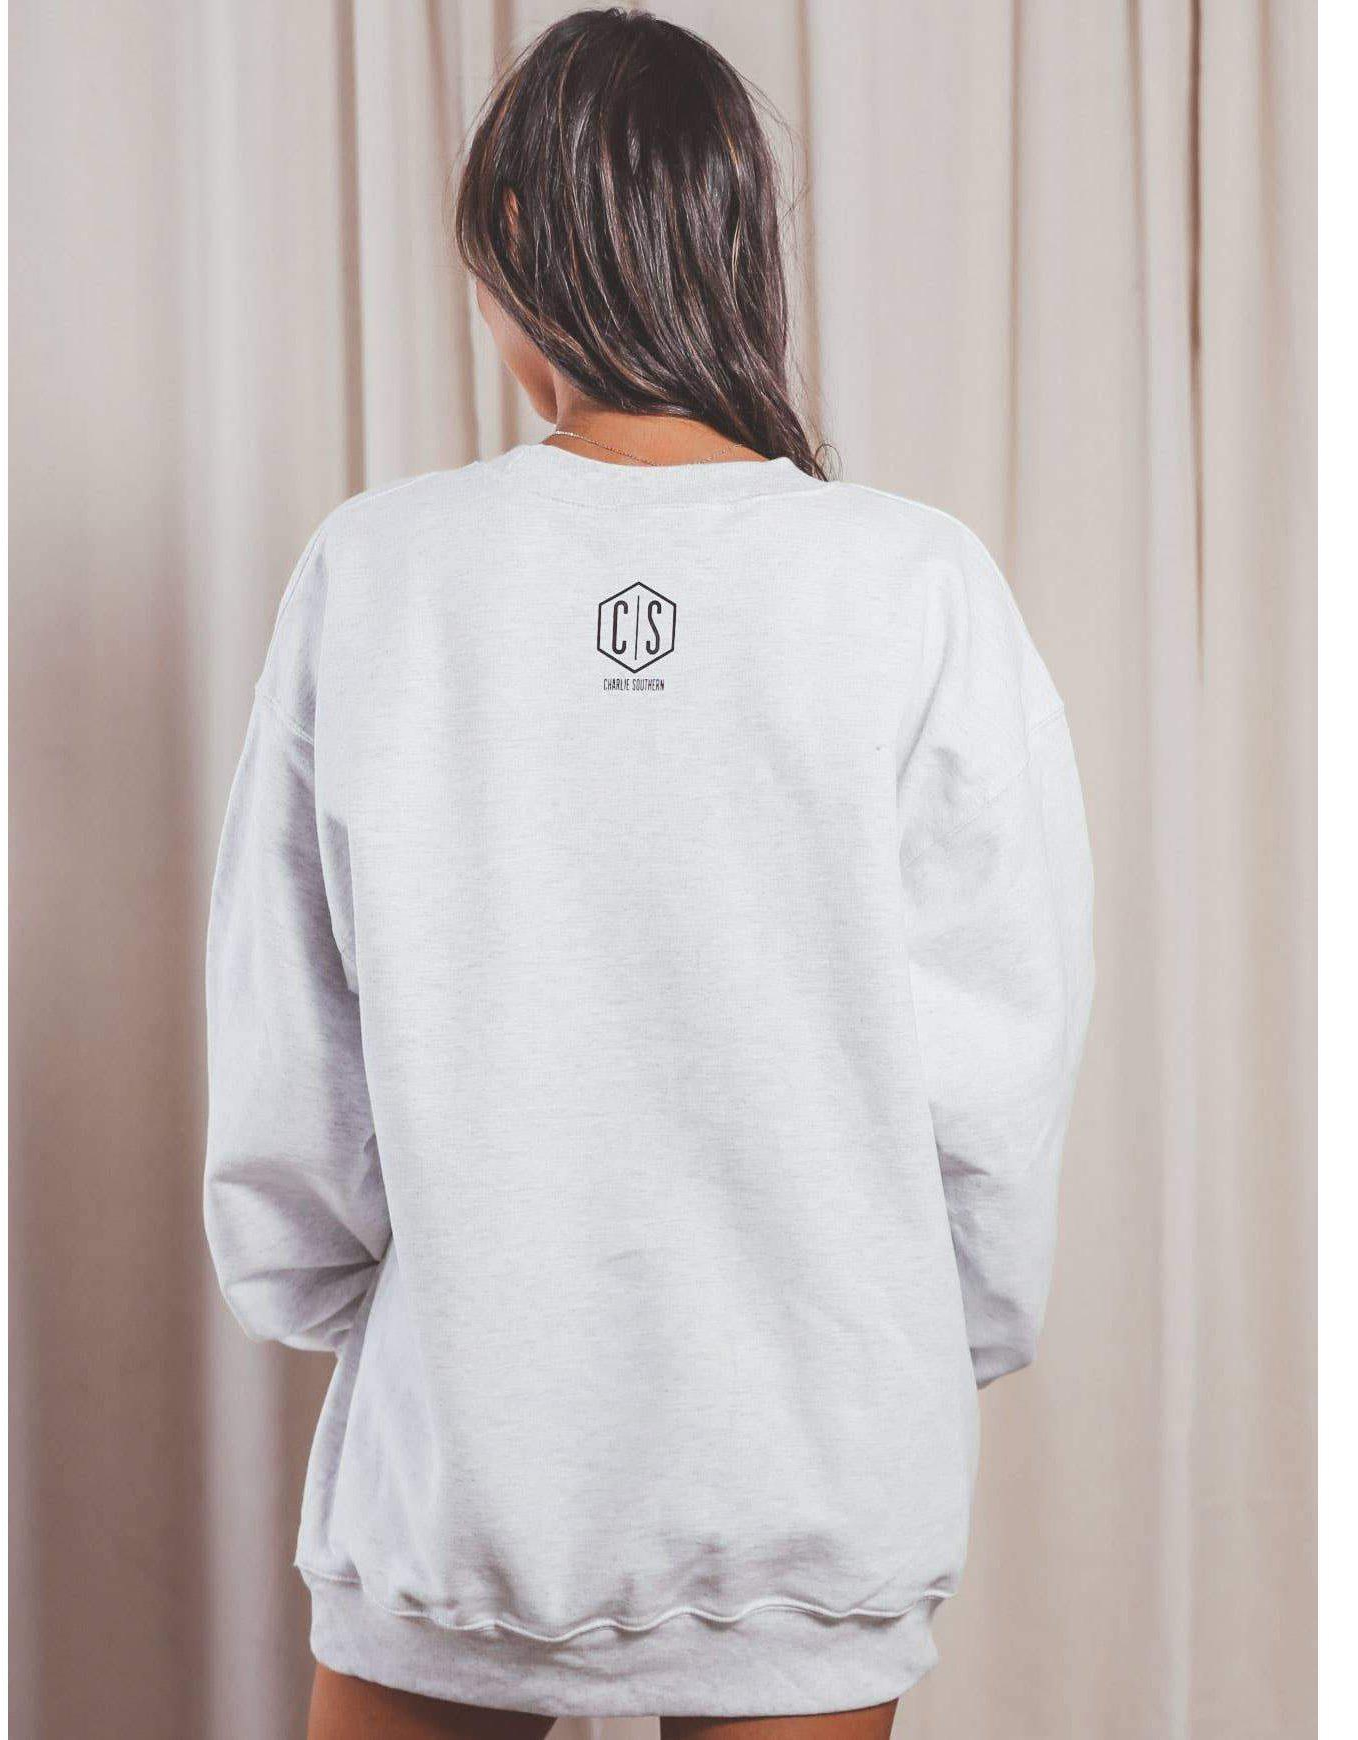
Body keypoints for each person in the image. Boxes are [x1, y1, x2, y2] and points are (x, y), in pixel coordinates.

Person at [203, 10, 1094, 1738]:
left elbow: (290, 1024)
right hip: (816, 1453)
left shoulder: (381, 571)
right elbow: (1001, 1052)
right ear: (737, 243)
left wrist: (340, 1291)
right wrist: (941, 1334)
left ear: (510, 241)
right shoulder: (913, 581)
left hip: (468, 1451)